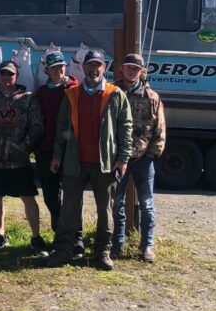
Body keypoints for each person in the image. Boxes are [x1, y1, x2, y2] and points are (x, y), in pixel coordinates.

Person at [45, 50, 132, 270]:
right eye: (90, 65)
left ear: (105, 68)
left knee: (105, 209)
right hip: (75, 161)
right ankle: (64, 250)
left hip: (105, 163)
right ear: (82, 68)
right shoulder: (72, 94)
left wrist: (122, 159)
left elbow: (126, 128)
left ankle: (102, 253)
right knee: (69, 208)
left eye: (98, 65)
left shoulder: (115, 94)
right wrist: (57, 155)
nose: (94, 69)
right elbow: (62, 128)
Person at [0, 59, 45, 252]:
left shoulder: (28, 98)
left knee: (28, 197)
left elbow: (37, 126)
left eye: (10, 74)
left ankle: (36, 237)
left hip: (19, 160)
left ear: (16, 76)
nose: (6, 77)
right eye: (3, 74)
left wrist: (24, 147)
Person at [112, 53, 166, 263]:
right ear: (122, 69)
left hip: (143, 159)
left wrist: (151, 155)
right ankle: (117, 244)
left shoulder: (152, 97)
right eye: (128, 68)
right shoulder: (112, 93)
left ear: (142, 72)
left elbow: (159, 129)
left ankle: (147, 246)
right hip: (118, 160)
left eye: (136, 68)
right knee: (117, 204)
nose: (132, 71)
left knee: (147, 204)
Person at [34, 50, 80, 248]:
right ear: (47, 70)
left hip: (71, 151)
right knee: (51, 196)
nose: (58, 70)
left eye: (61, 66)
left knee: (72, 196)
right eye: (54, 68)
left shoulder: (75, 88)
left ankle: (76, 237)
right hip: (45, 150)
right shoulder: (42, 92)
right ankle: (60, 235)